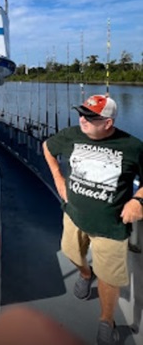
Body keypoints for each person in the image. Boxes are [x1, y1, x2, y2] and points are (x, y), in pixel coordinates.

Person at [43, 94, 143, 345]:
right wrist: (58, 178)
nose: (83, 119)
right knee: (71, 254)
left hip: (110, 226)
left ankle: (106, 319)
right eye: (82, 113)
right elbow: (47, 147)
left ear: (108, 123)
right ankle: (86, 275)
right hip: (73, 215)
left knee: (108, 277)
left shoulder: (132, 146)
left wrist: (138, 200)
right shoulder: (70, 135)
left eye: (90, 117)